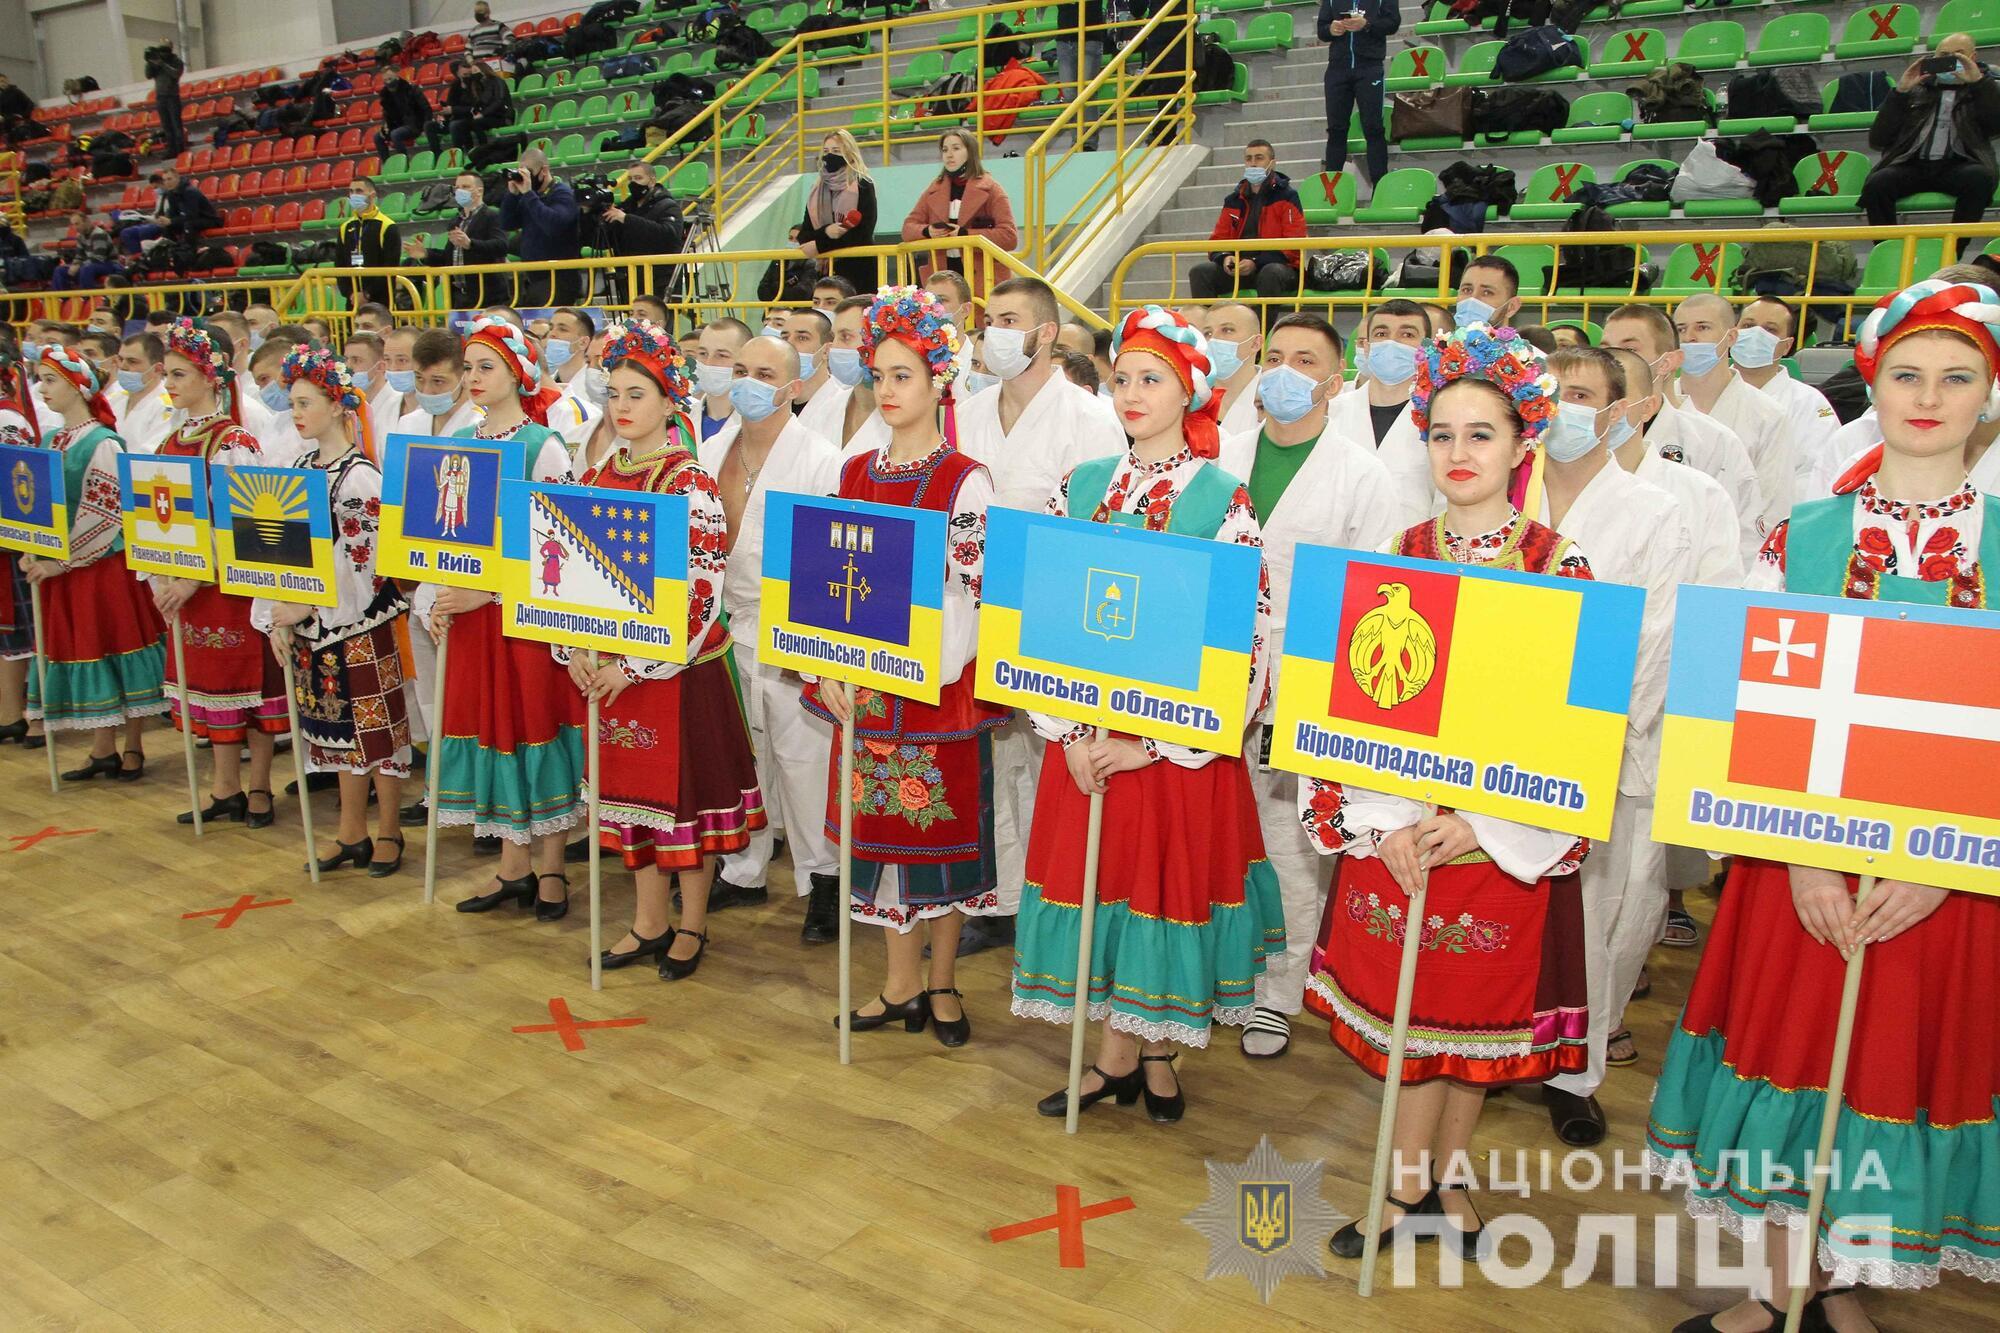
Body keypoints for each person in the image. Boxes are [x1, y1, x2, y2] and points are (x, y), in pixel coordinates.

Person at [1647, 278, 2000, 1332]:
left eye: (1955, 377)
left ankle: (1841, 1278)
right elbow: (1737, 703)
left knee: (1885, 1064)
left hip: (1950, 871)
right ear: (1871, 384)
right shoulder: (1796, 538)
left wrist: (1937, 865)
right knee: (1788, 1053)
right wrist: (1797, 853)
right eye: (1905, 373)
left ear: (1988, 397)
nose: (1925, 396)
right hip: (1793, 861)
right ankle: (1771, 1287)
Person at [1300, 324, 1593, 1258]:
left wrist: (1478, 824)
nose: (1458, 453)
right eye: (1442, 433)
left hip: (1495, 841)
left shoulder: (1561, 565)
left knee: (1468, 1034)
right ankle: (1396, 1190)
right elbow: (1356, 711)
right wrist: (1381, 821)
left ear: (1521, 444)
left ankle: (1448, 1185)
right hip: (1399, 833)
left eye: (1481, 434)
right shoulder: (1398, 552)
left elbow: (1576, 735)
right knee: (1404, 1031)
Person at [1008, 304, 1284, 1120]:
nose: (1130, 392)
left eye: (1150, 378)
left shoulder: (1222, 499)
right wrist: (1070, 732)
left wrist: (1149, 745)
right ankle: (1112, 1059)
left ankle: (1153, 1053)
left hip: (1168, 756)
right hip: (1085, 743)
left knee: (1158, 892)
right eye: (1122, 377)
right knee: (1107, 893)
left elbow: (1244, 639)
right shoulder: (1082, 485)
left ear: (1189, 390)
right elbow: (1043, 615)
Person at [803, 286, 1005, 1045]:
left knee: (937, 851)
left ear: (939, 381)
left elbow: (982, 604)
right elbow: (828, 590)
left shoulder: (964, 481)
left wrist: (918, 666)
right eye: (879, 375)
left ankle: (943, 982)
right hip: (862, 696)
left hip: (935, 699)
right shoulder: (854, 473)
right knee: (882, 849)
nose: (887, 390)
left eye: (904, 376)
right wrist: (824, 667)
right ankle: (896, 984)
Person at [1218, 313, 1397, 1058]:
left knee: (1289, 843)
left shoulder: (1364, 475)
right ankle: (1222, 970)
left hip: (1304, 679)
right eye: (1276, 356)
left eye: (1306, 361)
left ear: (1334, 381)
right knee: (1218, 830)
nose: (1285, 372)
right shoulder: (1221, 455)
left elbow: (1371, 592)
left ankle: (1280, 990)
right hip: (1216, 670)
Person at [567, 320, 767, 977]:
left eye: (637, 395)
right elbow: (568, 574)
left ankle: (691, 923)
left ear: (668, 402)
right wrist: (575, 649)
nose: (622, 408)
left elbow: (700, 595)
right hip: (608, 672)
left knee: (684, 802)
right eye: (615, 394)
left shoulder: (690, 485)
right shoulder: (597, 475)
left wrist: (632, 665)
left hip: (674, 674)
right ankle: (648, 920)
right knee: (631, 804)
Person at [1535, 345, 1692, 1148]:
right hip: (1501, 741)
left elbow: (1656, 640)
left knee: (1601, 921)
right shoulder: (1502, 486)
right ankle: (1500, 1051)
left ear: (1621, 410)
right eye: (1552, 393)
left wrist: (1584, 735)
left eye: (1583, 395)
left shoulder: (1654, 510)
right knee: (1516, 917)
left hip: (1604, 747)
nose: (1564, 408)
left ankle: (1574, 1075)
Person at [953, 276, 1126, 956]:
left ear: (1047, 332)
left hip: (1050, 614)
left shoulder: (1089, 417)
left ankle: (1051, 902)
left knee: (1044, 760)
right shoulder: (967, 410)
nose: (993, 330)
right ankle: (996, 900)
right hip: (971, 611)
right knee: (990, 761)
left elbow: (1094, 530)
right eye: (988, 319)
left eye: (1010, 318)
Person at [422, 318, 586, 921]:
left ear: (517, 371)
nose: (472, 378)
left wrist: (488, 594)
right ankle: (512, 867)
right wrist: (440, 596)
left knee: (530, 727)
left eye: (485, 366)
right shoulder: (458, 440)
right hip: (470, 622)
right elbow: (442, 533)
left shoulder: (542, 446)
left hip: (523, 624)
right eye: (467, 368)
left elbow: (559, 549)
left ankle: (550, 871)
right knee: (491, 730)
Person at [697, 333, 843, 937]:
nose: (748, 382)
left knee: (802, 758)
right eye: (740, 369)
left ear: (792, 386)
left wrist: (809, 644)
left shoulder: (819, 459)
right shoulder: (711, 451)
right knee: (742, 753)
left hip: (792, 628)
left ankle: (824, 880)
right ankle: (743, 867)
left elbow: (827, 558)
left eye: (764, 372)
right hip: (724, 624)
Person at [253, 347, 410, 877]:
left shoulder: (359, 477)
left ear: (337, 406)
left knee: (376, 735)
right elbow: (281, 552)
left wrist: (305, 607)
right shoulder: (299, 469)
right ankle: (351, 832)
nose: (295, 413)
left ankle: (388, 831)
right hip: (312, 626)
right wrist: (277, 611)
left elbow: (366, 569)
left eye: (305, 402)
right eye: (292, 403)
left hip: (357, 625)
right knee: (335, 736)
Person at [150, 319, 290, 827]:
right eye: (167, 374)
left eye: (180, 374)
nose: (170, 384)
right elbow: (161, 521)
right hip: (186, 589)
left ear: (211, 377)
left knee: (246, 686)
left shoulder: (234, 442)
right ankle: (224, 787)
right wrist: (163, 575)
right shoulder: (170, 441)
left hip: (227, 586)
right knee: (210, 691)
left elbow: (240, 525)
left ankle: (258, 788)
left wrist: (193, 576)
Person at [18, 347, 166, 778]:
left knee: (117, 644)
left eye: (50, 380)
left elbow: (105, 513)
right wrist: (31, 544)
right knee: (87, 647)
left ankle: (134, 745)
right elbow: (35, 505)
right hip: (62, 566)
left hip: (102, 568)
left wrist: (60, 561)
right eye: (40, 379)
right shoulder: (50, 440)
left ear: (77, 386)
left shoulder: (102, 442)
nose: (42, 389)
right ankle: (103, 746)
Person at [1602, 304, 1767, 566]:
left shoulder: (1713, 442)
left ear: (1666, 362)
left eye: (1630, 349)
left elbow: (1743, 543)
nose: (1612, 360)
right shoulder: (1577, 437)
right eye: (1605, 349)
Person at [1673, 294, 1795, 538]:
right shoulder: (1658, 406)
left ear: (1731, 337)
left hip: (1737, 551)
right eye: (1681, 329)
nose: (1690, 338)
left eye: (1703, 327)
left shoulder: (1768, 415)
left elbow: (1773, 507)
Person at [1863, 35, 2000, 242]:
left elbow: (1995, 127)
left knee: (1979, 179)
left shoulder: (1985, 89)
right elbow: (1878, 139)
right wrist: (1900, 92)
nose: (1951, 61)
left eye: (1959, 55)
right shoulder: (1916, 88)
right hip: (1912, 164)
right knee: (1877, 184)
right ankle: (1886, 249)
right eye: (1944, 56)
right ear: (1933, 58)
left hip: (1959, 164)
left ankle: (1953, 251)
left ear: (1973, 57)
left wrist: (1978, 85)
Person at [1328, 297, 1435, 528]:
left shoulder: (1440, 417)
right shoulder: (1333, 412)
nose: (1391, 343)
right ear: (1366, 347)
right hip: (1338, 550)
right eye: (1381, 334)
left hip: (1409, 551)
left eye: (1407, 335)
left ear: (1426, 349)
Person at [1733, 297, 1841, 502]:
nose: (1757, 334)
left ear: (1786, 346)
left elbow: (1817, 472)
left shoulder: (1809, 402)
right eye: (1748, 326)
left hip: (1779, 516)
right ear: (1732, 334)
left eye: (1770, 330)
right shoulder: (1705, 392)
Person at [901, 128, 1020, 295]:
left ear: (970, 152)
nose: (949, 155)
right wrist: (928, 231)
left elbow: (1009, 237)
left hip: (984, 275)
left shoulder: (992, 189)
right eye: (945, 150)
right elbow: (908, 229)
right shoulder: (933, 190)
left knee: (980, 318)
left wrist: (964, 234)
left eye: (956, 148)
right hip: (943, 273)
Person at [1188, 141, 1305, 303]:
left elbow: (1293, 245)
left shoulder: (1287, 196)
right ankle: (1209, 326)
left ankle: (1260, 328)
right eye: (1249, 159)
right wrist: (1225, 258)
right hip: (1241, 268)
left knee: (1270, 273)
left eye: (1259, 158)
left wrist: (1255, 262)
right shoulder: (1233, 200)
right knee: (1200, 272)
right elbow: (1217, 241)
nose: (1253, 163)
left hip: (1280, 268)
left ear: (1272, 163)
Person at [1317, 0, 1398, 183]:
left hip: (1369, 67)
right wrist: (1331, 29)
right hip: (1337, 68)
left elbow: (1393, 23)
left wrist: (1367, 24)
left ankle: (1380, 188)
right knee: (1336, 130)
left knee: (1373, 128)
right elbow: (1321, 29)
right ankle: (1333, 190)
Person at [405, 171, 507, 311]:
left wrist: (470, 244)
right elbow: (449, 257)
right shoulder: (455, 221)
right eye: (457, 187)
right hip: (459, 295)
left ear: (479, 191)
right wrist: (426, 254)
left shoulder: (492, 216)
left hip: (488, 294)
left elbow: (501, 246)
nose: (460, 191)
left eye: (465, 187)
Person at [793, 130, 880, 294]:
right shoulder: (817, 190)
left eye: (836, 151)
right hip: (826, 274)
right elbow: (804, 235)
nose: (829, 156)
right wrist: (827, 231)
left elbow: (862, 234)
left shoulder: (863, 184)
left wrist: (819, 244)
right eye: (826, 151)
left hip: (859, 271)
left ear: (849, 154)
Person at [500, 147, 581, 307]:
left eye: (529, 172)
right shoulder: (529, 197)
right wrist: (512, 195)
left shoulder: (563, 194)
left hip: (560, 277)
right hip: (534, 275)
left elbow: (553, 226)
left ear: (544, 170)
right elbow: (507, 223)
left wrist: (529, 194)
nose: (526, 177)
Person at [119, 167, 219, 256]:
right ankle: (171, 252)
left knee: (189, 224)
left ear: (177, 178)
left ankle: (189, 252)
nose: (167, 182)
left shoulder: (190, 192)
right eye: (165, 180)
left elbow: (192, 215)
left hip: (209, 219)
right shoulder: (171, 194)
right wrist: (165, 221)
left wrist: (171, 221)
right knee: (168, 227)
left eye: (170, 179)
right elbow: (173, 215)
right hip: (190, 220)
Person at [539, 306, 601, 449]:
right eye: (551, 328)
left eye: (562, 329)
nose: (553, 334)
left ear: (583, 342)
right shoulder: (546, 383)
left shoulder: (596, 385)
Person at [1202, 301, 1264, 439]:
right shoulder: (1193, 399)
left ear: (1255, 343)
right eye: (1208, 333)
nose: (1213, 339)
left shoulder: (1274, 399)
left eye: (1227, 330)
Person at [110, 331, 173, 455]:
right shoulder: (112, 399)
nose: (123, 366)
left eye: (132, 361)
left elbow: (151, 453)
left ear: (157, 369)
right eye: (121, 359)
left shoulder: (168, 406)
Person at [692, 318, 751, 441]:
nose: (709, 363)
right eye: (703, 353)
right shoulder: (681, 419)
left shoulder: (758, 423)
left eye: (722, 355)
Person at [444, 57, 513, 153]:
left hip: (502, 116)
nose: (474, 74)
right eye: (473, 72)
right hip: (489, 116)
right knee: (463, 124)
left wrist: (482, 114)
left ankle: (483, 149)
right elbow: (480, 102)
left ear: (483, 69)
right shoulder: (479, 85)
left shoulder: (497, 81)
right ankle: (467, 151)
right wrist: (476, 110)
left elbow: (499, 101)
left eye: (476, 71)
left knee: (476, 122)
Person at [780, 308, 834, 419]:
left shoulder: (840, 406)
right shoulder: (775, 401)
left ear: (826, 351)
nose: (789, 345)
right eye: (785, 338)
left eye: (802, 338)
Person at [375, 65, 439, 160]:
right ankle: (386, 163)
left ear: (397, 76)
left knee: (395, 134)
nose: (388, 82)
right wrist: (385, 125)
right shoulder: (385, 95)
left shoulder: (411, 89)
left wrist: (425, 127)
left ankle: (404, 161)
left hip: (415, 124)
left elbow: (426, 108)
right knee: (378, 137)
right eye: (385, 80)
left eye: (390, 78)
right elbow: (386, 113)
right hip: (396, 125)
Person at [1455, 255, 1523, 330]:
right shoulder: (1443, 339)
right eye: (1467, 290)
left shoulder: (1524, 342)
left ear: (1512, 307)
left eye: (1487, 292)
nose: (1472, 299)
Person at [147, 40, 187, 156]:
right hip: (160, 97)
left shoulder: (176, 61)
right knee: (166, 126)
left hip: (172, 96)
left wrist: (163, 64)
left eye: (165, 49)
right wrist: (151, 63)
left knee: (176, 125)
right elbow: (148, 75)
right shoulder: (156, 62)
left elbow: (176, 74)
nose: (162, 52)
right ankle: (171, 150)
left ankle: (180, 149)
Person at [466, 0, 513, 68]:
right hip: (478, 66)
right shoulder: (473, 31)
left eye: (479, 12)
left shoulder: (498, 25)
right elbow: (468, 49)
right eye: (476, 12)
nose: (477, 14)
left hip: (494, 64)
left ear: (487, 13)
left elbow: (510, 37)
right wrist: (470, 61)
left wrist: (500, 50)